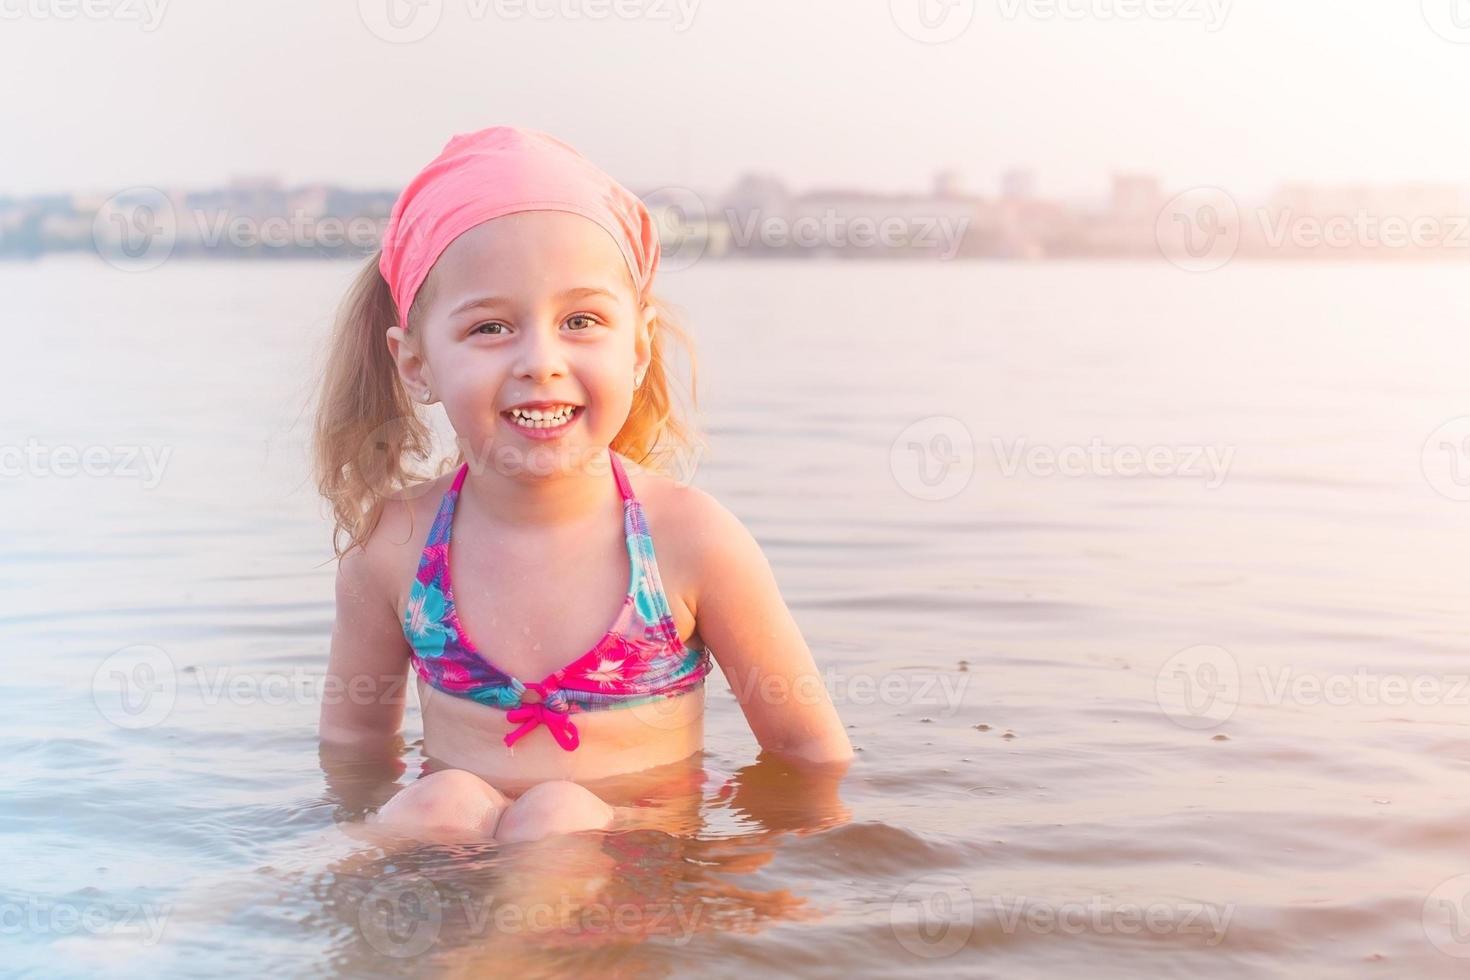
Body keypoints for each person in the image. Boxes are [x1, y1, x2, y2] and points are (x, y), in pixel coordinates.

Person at [312, 125, 851, 845]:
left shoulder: (689, 540)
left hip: (632, 870)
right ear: (414, 364)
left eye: (581, 321)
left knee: (559, 813)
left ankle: (491, 960)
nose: (541, 360)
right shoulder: (396, 547)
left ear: (637, 346)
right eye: (492, 327)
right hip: (455, 868)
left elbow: (809, 753)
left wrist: (749, 893)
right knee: (440, 802)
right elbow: (354, 755)